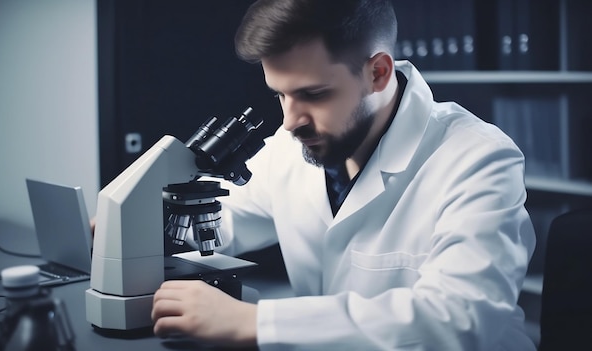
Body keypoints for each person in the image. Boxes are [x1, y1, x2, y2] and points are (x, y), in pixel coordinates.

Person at [150, 0, 537, 349]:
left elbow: (459, 318)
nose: (289, 122)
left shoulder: (477, 156)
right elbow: (220, 222)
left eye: (314, 94)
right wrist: (141, 225)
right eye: (280, 95)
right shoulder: (290, 150)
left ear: (378, 73)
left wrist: (255, 323)